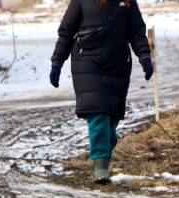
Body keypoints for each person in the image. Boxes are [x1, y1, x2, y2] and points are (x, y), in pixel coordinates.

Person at [50, 0, 153, 183]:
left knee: (111, 121)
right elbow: (66, 32)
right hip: (88, 63)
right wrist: (57, 63)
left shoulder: (128, 2)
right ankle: (100, 167)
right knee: (98, 114)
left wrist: (144, 56)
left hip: (118, 65)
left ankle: (103, 151)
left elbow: (137, 31)